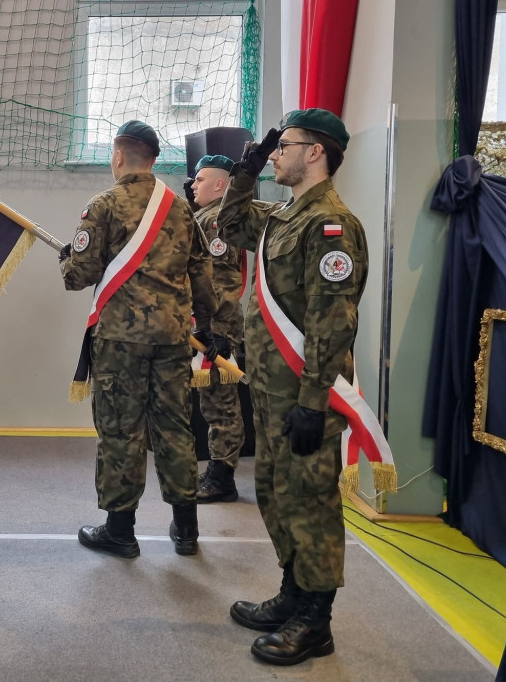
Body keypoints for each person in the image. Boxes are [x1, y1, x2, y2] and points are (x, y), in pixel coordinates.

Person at [215, 109, 368, 665]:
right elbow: (229, 226)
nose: (275, 154)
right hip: (271, 390)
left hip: (306, 395)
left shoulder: (332, 226)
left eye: (284, 146)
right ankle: (293, 594)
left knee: (310, 500)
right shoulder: (283, 216)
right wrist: (246, 172)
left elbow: (332, 321)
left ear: (316, 152)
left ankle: (315, 621)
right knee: (275, 492)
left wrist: (312, 402)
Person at [60, 120, 217, 558]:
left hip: (120, 342)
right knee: (175, 429)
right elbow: (203, 274)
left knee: (120, 430)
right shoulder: (181, 209)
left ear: (118, 156)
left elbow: (78, 276)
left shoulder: (103, 205)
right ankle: (186, 530)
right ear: (153, 159)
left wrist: (67, 259)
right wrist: (206, 325)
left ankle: (120, 532)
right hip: (172, 338)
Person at [189, 154, 245, 503]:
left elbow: (221, 280)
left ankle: (223, 478)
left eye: (200, 179)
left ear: (220, 184)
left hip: (216, 328)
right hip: (207, 324)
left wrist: (218, 330)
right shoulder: (205, 217)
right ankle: (217, 469)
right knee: (212, 403)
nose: (193, 185)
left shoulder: (216, 221)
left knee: (221, 405)